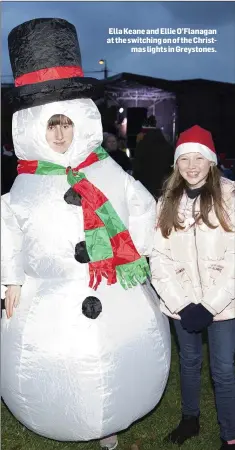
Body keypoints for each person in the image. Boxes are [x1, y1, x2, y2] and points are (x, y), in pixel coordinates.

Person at [1, 18, 171, 450]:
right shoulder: (26, 183)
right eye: (51, 126)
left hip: (116, 289)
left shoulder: (105, 168)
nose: (59, 135)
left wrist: (138, 254)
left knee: (119, 360)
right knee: (57, 366)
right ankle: (65, 416)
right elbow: (9, 231)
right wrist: (12, 280)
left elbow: (140, 205)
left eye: (66, 124)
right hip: (50, 301)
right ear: (34, 127)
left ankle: (111, 424)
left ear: (79, 121)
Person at [150, 125, 235, 449]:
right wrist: (182, 303)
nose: (192, 165)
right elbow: (158, 258)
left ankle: (230, 433)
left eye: (199, 157)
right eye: (185, 158)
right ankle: (190, 419)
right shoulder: (167, 201)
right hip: (181, 303)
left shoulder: (230, 197)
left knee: (224, 369)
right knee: (188, 362)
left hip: (224, 305)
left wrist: (210, 305)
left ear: (211, 161)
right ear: (177, 163)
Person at [133, 124, 174, 199]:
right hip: (162, 182)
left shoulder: (141, 147)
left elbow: (136, 166)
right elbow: (171, 164)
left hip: (144, 182)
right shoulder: (168, 148)